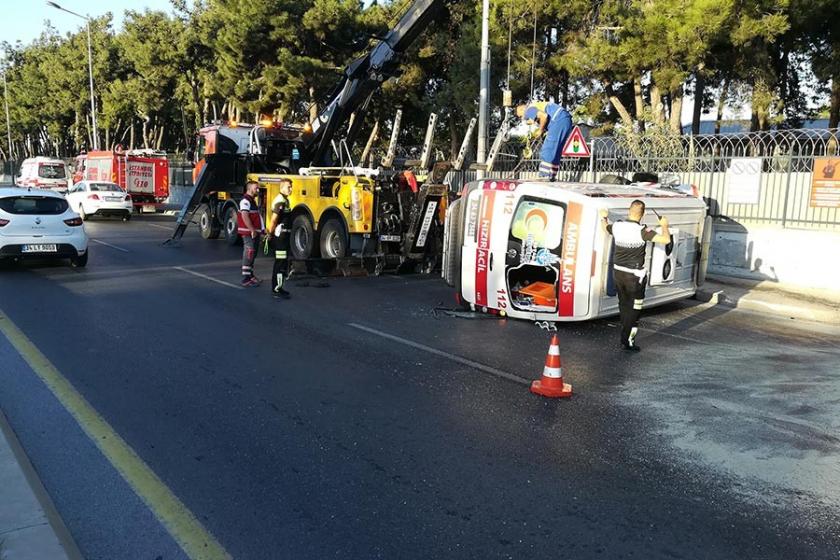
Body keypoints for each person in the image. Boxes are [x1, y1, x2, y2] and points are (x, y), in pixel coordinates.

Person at [600, 200, 670, 352]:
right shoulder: (643, 231)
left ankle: (624, 334)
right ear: (643, 214)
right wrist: (664, 225)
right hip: (635, 277)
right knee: (635, 308)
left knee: (623, 304)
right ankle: (628, 341)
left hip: (618, 273)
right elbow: (666, 240)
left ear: (629, 211)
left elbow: (605, 228)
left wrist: (604, 217)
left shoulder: (617, 226)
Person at [516, 101, 573, 179]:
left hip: (558, 120)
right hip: (566, 120)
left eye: (520, 116)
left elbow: (544, 116)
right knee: (556, 151)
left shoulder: (528, 110)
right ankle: (552, 176)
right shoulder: (537, 106)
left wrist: (540, 130)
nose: (522, 118)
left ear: (522, 109)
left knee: (548, 149)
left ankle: (544, 176)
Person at [266, 179, 293, 299]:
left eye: (291, 187)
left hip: (284, 236)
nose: (291, 189)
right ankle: (276, 289)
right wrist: (269, 234)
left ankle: (279, 287)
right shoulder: (280, 201)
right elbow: (274, 219)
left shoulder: (285, 200)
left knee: (282, 262)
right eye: (289, 187)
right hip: (280, 237)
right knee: (280, 263)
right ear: (282, 188)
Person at [237, 180, 263, 287]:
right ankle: (246, 279)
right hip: (248, 233)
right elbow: (245, 216)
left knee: (253, 253)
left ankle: (251, 275)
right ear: (249, 189)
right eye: (256, 188)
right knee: (249, 252)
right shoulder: (245, 201)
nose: (258, 190)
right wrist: (252, 230)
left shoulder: (251, 200)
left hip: (253, 232)